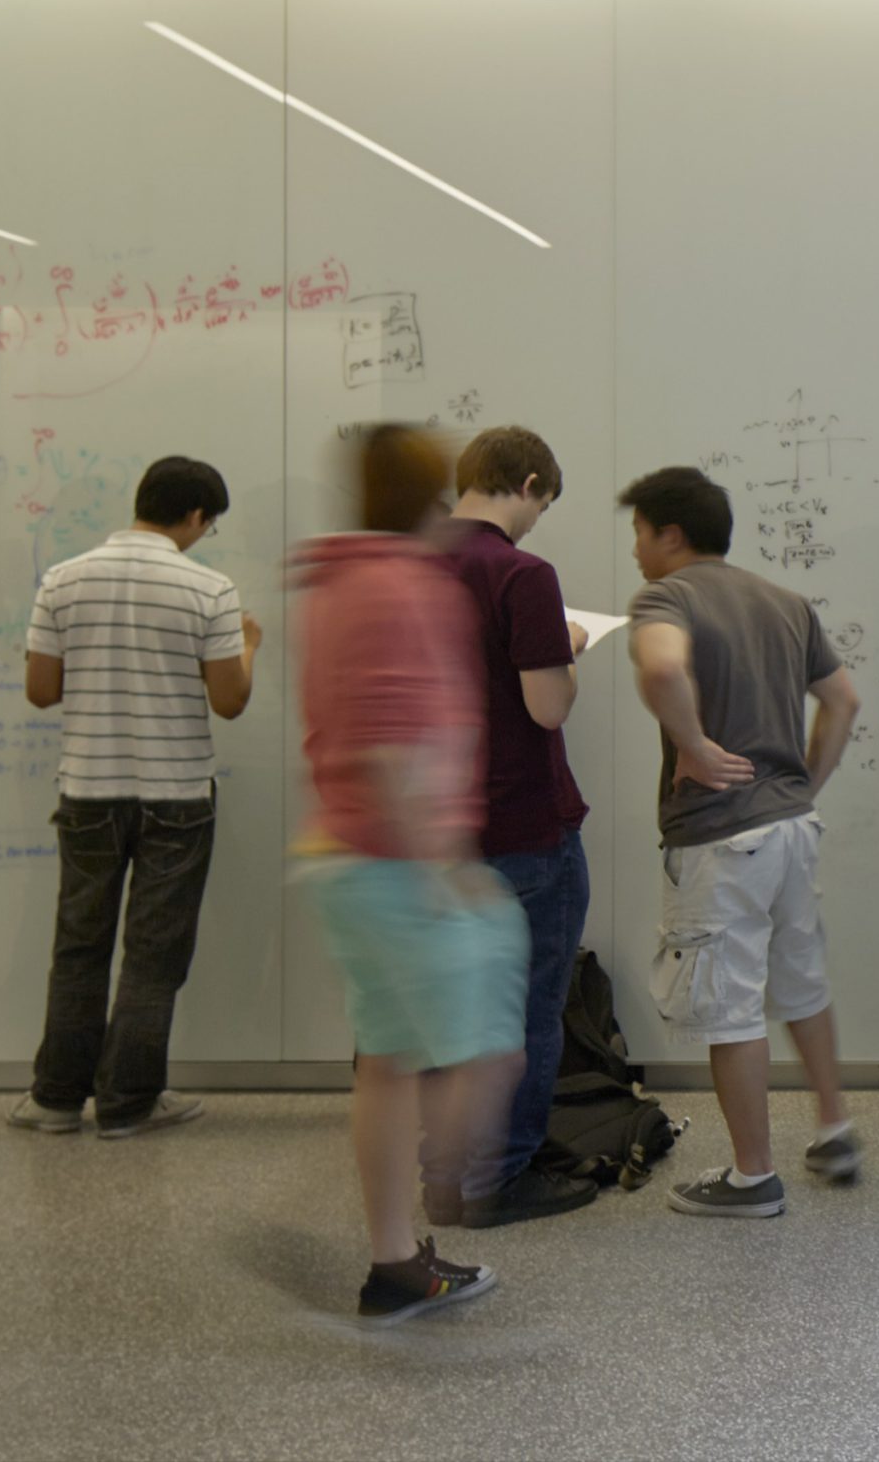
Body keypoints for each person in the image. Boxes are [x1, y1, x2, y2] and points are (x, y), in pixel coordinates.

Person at [293, 424, 523, 1324]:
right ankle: (457, 1185)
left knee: (389, 1061)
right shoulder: (398, 585)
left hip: (348, 856)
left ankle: (395, 1263)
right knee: (490, 1049)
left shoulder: (341, 580)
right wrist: (443, 868)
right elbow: (392, 741)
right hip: (399, 862)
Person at [622, 466, 865, 1218]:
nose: (634, 551)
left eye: (638, 533)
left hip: (722, 836)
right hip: (791, 826)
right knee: (800, 980)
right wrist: (805, 784)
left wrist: (691, 744)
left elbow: (661, 663)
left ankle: (752, 1176)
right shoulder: (785, 601)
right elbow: (843, 698)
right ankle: (832, 1126)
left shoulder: (668, 597)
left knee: (729, 1005)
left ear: (670, 533)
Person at [10, 456, 260, 1139]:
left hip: (88, 788)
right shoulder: (209, 588)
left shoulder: (62, 579)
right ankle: (127, 1103)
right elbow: (229, 701)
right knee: (153, 955)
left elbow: (39, 689)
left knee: (79, 948)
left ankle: (56, 1099)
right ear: (196, 516)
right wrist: (248, 645)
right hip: (176, 793)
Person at [428, 427, 598, 1229]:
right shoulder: (521, 574)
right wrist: (567, 646)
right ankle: (501, 1174)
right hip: (523, 823)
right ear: (528, 483)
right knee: (527, 1007)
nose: (537, 523)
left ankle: (441, 1170)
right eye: (541, 505)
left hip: (436, 827)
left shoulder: (412, 566)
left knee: (449, 1006)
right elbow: (547, 705)